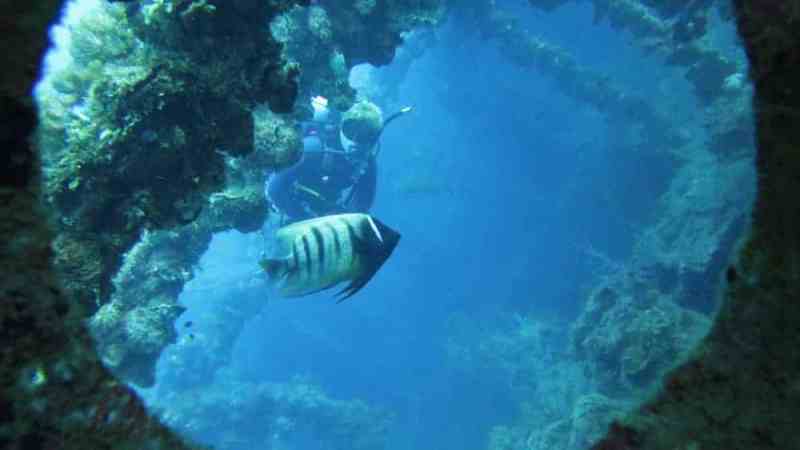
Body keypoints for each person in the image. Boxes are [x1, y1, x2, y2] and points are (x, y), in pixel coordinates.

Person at [267, 96, 412, 223]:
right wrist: (305, 219)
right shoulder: (313, 149)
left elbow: (360, 209)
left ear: (373, 140)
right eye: (350, 130)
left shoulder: (366, 164)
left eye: (365, 135)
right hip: (288, 201)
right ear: (341, 127)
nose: (355, 141)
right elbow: (274, 188)